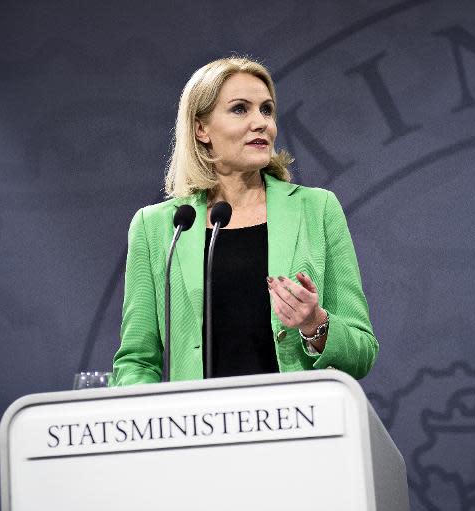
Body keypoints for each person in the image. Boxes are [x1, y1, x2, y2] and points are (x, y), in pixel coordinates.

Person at [111, 56, 378, 385]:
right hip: (199, 430)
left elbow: (362, 352)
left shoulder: (317, 209)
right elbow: (136, 360)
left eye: (267, 110)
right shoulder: (160, 228)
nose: (261, 122)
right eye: (240, 109)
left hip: (297, 426)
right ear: (201, 128)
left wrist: (315, 324)